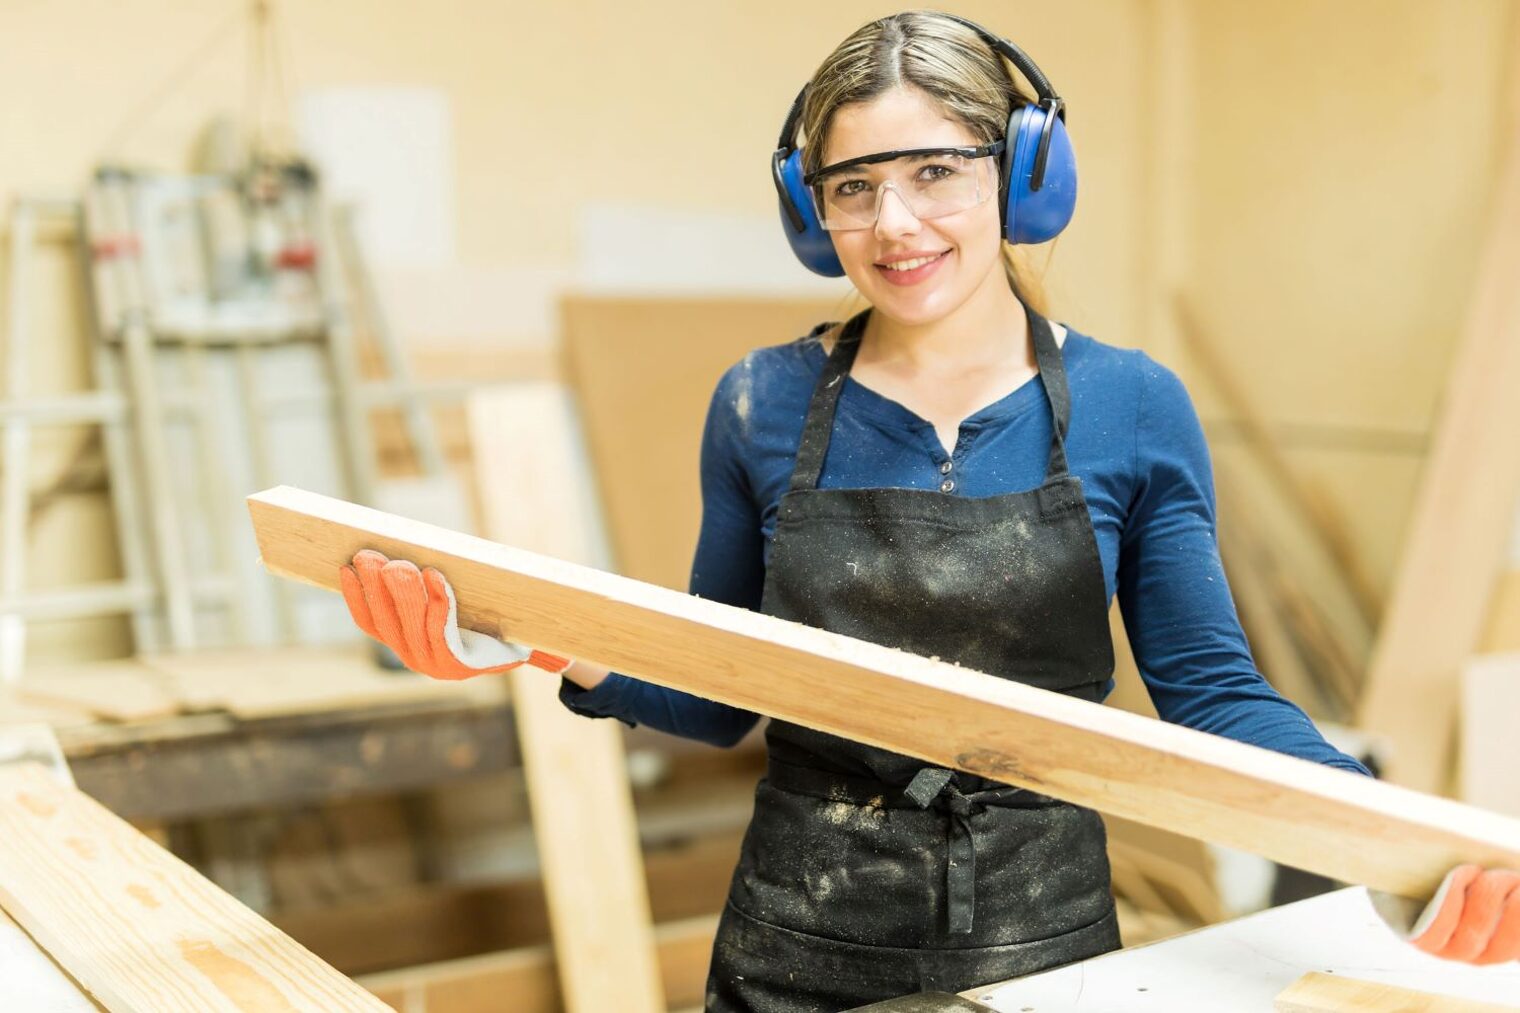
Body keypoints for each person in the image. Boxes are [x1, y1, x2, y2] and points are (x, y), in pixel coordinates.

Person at [338, 11, 1520, 1010]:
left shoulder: (1128, 406)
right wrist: (504, 632)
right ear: (813, 214)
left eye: (934, 172)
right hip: (790, 947)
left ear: (1021, 174)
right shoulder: (760, 402)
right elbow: (711, 688)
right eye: (853, 188)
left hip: (1040, 950)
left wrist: (1409, 848)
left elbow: (1211, 694)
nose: (894, 224)